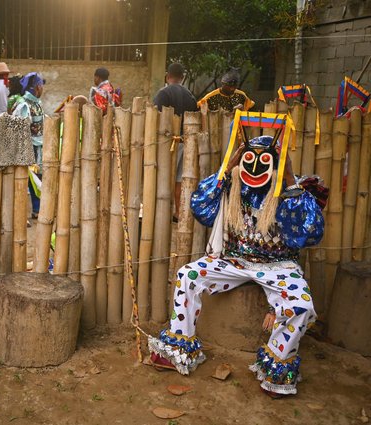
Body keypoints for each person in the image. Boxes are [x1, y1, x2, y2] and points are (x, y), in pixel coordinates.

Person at [149, 134, 324, 398]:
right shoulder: (234, 184)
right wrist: (225, 169)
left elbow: (308, 233)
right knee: (188, 275)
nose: (255, 167)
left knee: (301, 304)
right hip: (233, 260)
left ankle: (277, 367)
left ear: (276, 164)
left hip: (278, 265)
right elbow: (201, 208)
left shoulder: (290, 189)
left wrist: (288, 180)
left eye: (264, 160)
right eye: (248, 159)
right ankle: (178, 347)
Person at [153, 63, 198, 220]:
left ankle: (161, 215)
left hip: (167, 142)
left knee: (163, 178)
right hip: (185, 142)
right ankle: (178, 212)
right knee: (179, 180)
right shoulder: (190, 95)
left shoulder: (163, 93)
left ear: (167, 76)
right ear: (183, 77)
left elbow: (155, 116)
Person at [12, 72, 45, 218]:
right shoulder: (24, 105)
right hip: (28, 148)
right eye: (41, 85)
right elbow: (20, 131)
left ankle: (36, 210)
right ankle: (21, 214)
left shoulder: (36, 103)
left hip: (36, 147)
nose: (42, 88)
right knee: (26, 180)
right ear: (36, 87)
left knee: (35, 178)